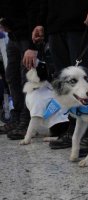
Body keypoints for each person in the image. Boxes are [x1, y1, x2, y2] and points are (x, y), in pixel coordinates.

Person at [31, 0, 88, 151]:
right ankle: (74, 129)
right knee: (66, 84)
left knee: (85, 80)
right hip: (55, 26)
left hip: (83, 22)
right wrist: (40, 22)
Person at [0, 0, 39, 139]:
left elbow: (35, 10)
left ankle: (26, 121)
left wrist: (32, 45)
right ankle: (16, 117)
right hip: (13, 36)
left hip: (28, 36)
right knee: (11, 76)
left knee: (26, 79)